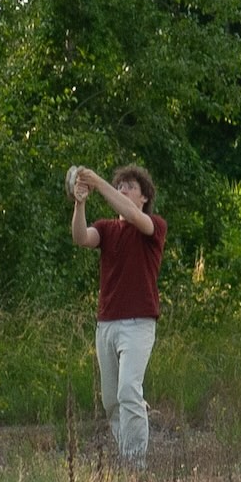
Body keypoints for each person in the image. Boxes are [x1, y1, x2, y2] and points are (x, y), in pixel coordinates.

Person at [69, 164, 167, 465]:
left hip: (139, 324)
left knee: (128, 390)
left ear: (144, 198)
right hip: (107, 324)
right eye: (120, 185)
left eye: (130, 187)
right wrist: (80, 202)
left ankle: (135, 464)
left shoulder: (153, 226)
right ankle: (127, 455)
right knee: (111, 400)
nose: (123, 190)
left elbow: (134, 216)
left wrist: (98, 182)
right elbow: (80, 238)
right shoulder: (107, 229)